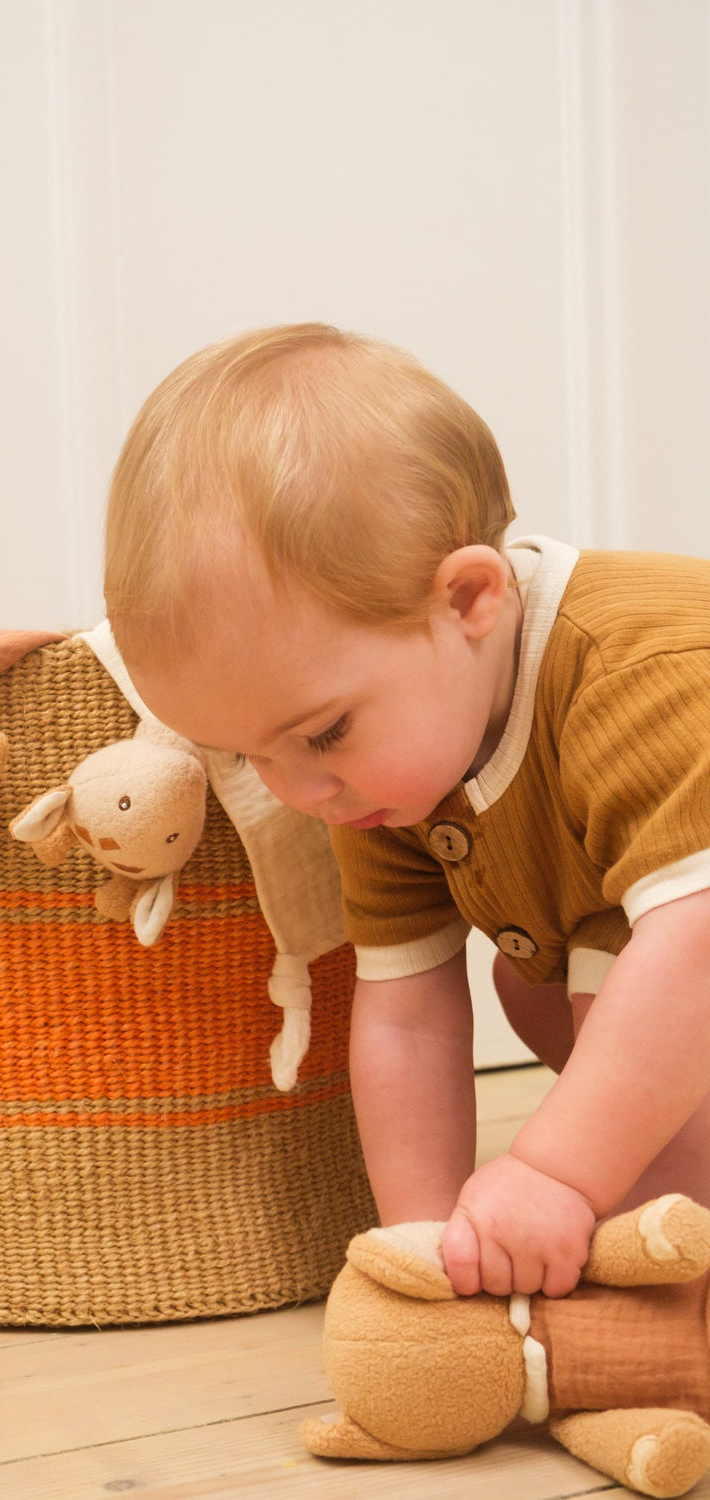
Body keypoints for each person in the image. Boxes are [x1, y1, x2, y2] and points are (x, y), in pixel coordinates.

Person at [102, 322, 710, 1300]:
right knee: (539, 983)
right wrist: (423, 1255)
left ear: (469, 599)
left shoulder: (641, 674)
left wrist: (553, 1173)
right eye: (247, 754)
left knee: (621, 984)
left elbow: (696, 948)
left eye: (325, 732)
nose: (298, 791)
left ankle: (667, 1283)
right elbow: (407, 1015)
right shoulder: (384, 786)